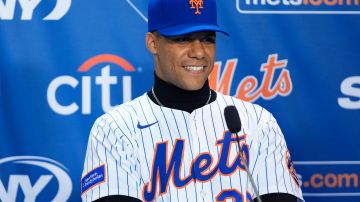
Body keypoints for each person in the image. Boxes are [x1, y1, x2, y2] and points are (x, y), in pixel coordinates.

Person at [81, 0, 304, 201]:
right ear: (152, 43)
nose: (199, 52)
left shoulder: (256, 121)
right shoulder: (116, 128)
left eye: (208, 39)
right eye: (183, 39)